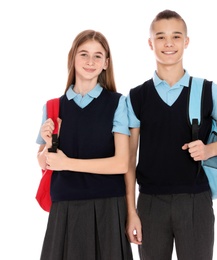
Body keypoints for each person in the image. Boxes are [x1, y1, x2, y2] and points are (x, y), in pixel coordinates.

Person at [125, 9, 217, 260]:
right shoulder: (137, 96)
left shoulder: (207, 91)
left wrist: (209, 149)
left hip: (196, 202)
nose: (168, 43)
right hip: (149, 202)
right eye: (160, 37)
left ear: (186, 42)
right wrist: (131, 211)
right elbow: (128, 159)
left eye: (176, 36)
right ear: (150, 43)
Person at [36, 29, 133, 260]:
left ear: (106, 63)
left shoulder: (118, 103)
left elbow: (121, 164)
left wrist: (67, 163)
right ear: (72, 58)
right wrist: (48, 144)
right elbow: (44, 161)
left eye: (98, 56)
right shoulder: (52, 106)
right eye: (84, 54)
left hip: (108, 208)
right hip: (65, 209)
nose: (90, 61)